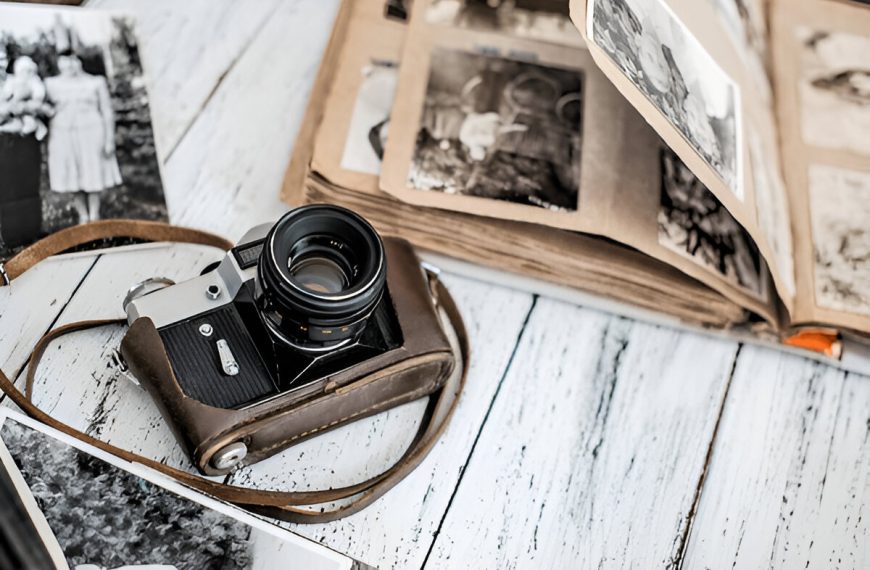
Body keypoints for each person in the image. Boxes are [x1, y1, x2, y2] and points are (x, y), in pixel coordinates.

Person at [45, 51, 121, 223]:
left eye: (73, 60)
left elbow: (107, 111)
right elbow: (41, 106)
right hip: (63, 133)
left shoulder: (95, 82)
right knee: (72, 172)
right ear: (59, 63)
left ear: (80, 62)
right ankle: (83, 216)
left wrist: (109, 138)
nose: (70, 65)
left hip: (92, 131)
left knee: (92, 170)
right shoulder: (50, 84)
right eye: (65, 61)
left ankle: (95, 215)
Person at [0, 54, 47, 249]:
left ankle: (33, 231)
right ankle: (13, 236)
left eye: (2, 59)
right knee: (8, 189)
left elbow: (38, 105)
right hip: (4, 140)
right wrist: (12, 109)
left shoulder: (18, 80)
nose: (0, 63)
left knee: (30, 184)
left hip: (26, 139)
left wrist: (22, 107)